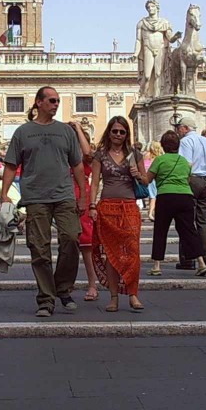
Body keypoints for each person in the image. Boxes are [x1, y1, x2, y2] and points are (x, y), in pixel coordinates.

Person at [0, 86, 88, 317]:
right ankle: (46, 299)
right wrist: (3, 193)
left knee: (71, 238)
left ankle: (62, 287)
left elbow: (77, 165)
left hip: (64, 195)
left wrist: (83, 195)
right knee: (39, 248)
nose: (56, 104)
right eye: (51, 100)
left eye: (57, 100)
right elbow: (11, 164)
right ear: (38, 103)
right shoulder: (23, 132)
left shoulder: (66, 131)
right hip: (35, 197)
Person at [90, 116, 147, 312]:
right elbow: (95, 182)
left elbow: (146, 181)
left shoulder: (135, 154)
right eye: (115, 131)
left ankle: (133, 294)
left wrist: (138, 175)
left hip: (129, 207)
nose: (118, 135)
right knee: (111, 253)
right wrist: (92, 205)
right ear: (109, 132)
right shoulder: (100, 155)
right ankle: (113, 297)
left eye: (122, 132)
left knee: (132, 252)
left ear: (126, 134)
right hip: (107, 207)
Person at [144, 130, 205, 278]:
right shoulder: (185, 162)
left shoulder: (159, 160)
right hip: (185, 197)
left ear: (163, 146)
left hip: (166, 196)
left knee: (160, 231)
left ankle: (157, 266)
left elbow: (147, 180)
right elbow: (188, 180)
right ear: (178, 146)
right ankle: (201, 263)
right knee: (189, 230)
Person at [175, 117, 206, 275]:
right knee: (203, 221)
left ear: (185, 128)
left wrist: (183, 183)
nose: (178, 131)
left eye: (179, 128)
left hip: (193, 180)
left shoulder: (185, 142)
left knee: (186, 220)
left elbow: (186, 164)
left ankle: (187, 259)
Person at [70, 121, 100, 301]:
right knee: (68, 244)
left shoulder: (84, 157)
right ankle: (67, 283)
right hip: (65, 197)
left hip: (83, 198)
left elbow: (88, 153)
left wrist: (78, 128)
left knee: (86, 245)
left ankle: (92, 284)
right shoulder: (64, 154)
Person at [144, 140, 163, 221]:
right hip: (154, 177)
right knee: (153, 196)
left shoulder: (146, 155)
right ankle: (151, 213)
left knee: (152, 196)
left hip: (146, 176)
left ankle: (151, 211)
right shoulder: (159, 157)